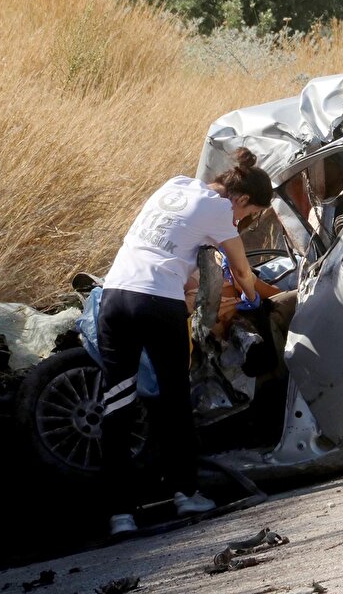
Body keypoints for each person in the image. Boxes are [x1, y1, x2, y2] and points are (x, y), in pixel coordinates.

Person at [99, 148, 272, 536]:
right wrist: (253, 299)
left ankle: (120, 515)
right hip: (157, 302)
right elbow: (241, 269)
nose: (243, 221)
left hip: (114, 297)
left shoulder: (174, 186)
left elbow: (174, 252)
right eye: (248, 215)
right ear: (240, 200)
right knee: (175, 399)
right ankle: (185, 493)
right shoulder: (217, 209)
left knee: (117, 405)